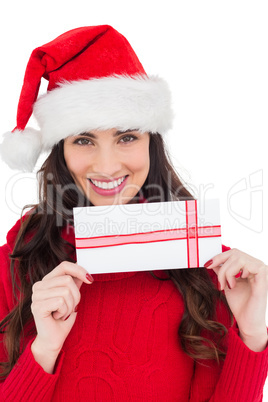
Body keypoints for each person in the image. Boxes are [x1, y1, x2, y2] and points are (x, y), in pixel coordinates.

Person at [0, 25, 267, 402]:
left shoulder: (207, 265)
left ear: (151, 143)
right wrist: (43, 350)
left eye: (127, 137)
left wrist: (252, 334)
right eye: (84, 139)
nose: (107, 166)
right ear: (61, 150)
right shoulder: (15, 261)